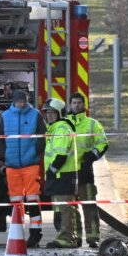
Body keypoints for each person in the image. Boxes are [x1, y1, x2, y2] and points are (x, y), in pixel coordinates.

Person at [0, 86, 45, 245]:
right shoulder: (4, 116)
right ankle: (18, 233)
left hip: (30, 163)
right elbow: (0, 139)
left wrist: (35, 154)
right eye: (18, 101)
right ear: (14, 101)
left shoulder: (35, 115)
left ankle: (35, 233)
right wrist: (5, 156)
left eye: (23, 101)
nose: (21, 104)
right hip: (12, 165)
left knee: (33, 198)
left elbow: (41, 138)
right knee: (16, 201)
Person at [69, 93, 111, 246]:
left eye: (79, 103)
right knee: (71, 209)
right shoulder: (64, 124)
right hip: (68, 173)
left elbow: (102, 143)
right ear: (70, 105)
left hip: (85, 172)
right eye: (74, 103)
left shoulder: (92, 124)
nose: (77, 105)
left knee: (89, 206)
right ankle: (75, 237)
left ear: (84, 105)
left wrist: (91, 156)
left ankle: (93, 238)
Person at [43, 99, 81, 247]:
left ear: (60, 113)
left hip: (63, 174)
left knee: (65, 208)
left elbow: (61, 155)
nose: (49, 115)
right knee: (62, 208)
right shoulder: (55, 128)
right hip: (59, 175)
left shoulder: (61, 129)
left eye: (53, 112)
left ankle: (66, 238)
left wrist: (51, 171)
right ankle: (69, 237)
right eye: (47, 112)